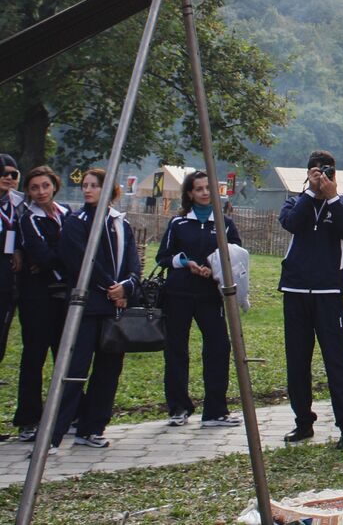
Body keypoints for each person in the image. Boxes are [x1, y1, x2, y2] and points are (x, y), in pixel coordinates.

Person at [49, 168, 141, 450]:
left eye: (94, 185)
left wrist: (127, 286)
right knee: (75, 370)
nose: (87, 190)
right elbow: (79, 258)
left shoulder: (120, 223)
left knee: (108, 369)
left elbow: (133, 262)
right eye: (85, 185)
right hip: (88, 306)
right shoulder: (76, 221)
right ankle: (54, 434)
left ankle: (92, 428)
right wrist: (110, 287)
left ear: (108, 190)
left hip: (114, 308)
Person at [277, 151, 343, 449]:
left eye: (326, 171)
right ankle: (303, 423)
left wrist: (332, 197)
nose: (321, 175)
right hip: (296, 290)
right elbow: (292, 224)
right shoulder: (294, 201)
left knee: (337, 361)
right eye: (315, 171)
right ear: (307, 172)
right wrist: (310, 193)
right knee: (297, 361)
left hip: (328, 293)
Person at [156, 170, 243, 428]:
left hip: (210, 295)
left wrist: (214, 269)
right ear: (190, 194)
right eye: (199, 189)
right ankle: (178, 408)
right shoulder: (178, 223)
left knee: (218, 348)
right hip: (179, 293)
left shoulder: (225, 223)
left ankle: (215, 411)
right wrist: (185, 262)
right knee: (176, 350)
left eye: (208, 187)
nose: (205, 192)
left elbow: (237, 256)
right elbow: (162, 257)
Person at [13, 165, 68, 442]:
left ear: (54, 186)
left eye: (45, 186)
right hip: (37, 296)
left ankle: (68, 413)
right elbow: (42, 256)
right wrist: (63, 255)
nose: (40, 192)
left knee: (65, 354)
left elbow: (78, 247)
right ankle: (28, 419)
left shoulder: (67, 214)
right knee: (34, 356)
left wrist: (57, 255)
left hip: (66, 294)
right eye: (34, 188)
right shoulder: (28, 219)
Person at [0, 154, 21, 366]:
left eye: (12, 174)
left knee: (3, 324)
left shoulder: (20, 203)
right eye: (3, 173)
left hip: (7, 275)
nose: (7, 177)